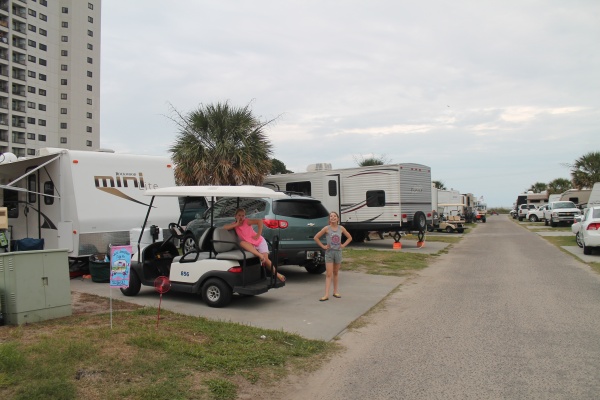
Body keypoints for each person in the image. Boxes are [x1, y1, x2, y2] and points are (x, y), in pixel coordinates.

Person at [223, 208, 285, 282]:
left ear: (245, 217)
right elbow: (225, 227)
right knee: (242, 243)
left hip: (259, 241)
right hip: (250, 245)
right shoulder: (234, 225)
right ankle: (259, 255)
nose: (241, 217)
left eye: (243, 216)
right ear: (235, 216)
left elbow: (260, 221)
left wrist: (258, 234)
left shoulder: (247, 221)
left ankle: (277, 274)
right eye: (239, 215)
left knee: (266, 260)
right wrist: (236, 224)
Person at [314, 211, 352, 301]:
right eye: (331, 216)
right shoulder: (327, 228)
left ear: (338, 219)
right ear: (329, 219)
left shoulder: (341, 228)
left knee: (336, 272)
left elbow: (350, 237)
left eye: (335, 216)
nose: (333, 217)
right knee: (328, 274)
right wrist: (323, 246)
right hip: (329, 253)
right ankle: (326, 294)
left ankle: (335, 292)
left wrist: (343, 245)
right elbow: (316, 237)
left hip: (338, 252)